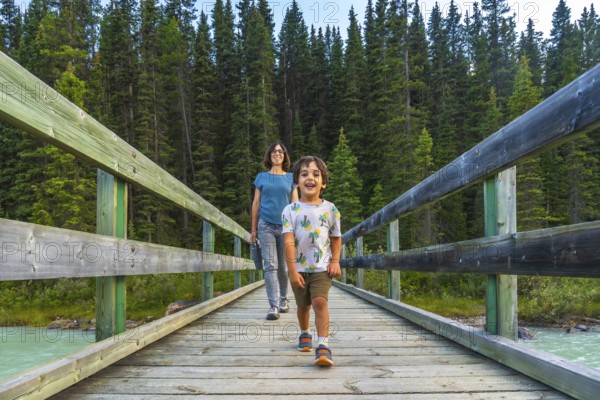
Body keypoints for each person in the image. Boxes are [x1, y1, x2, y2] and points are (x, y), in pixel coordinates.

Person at [282, 156, 341, 367]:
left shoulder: (330, 209)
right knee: (303, 305)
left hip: (322, 267)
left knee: (319, 302)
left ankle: (323, 344)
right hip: (298, 266)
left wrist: (335, 261)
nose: (310, 178)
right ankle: (305, 332)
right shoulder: (290, 210)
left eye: (316, 174)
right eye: (304, 174)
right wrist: (291, 270)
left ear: (323, 182)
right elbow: (288, 241)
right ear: (297, 181)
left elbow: (336, 237)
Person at [251, 142, 298, 320]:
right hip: (266, 225)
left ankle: (284, 299)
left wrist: (296, 230)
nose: (277, 154)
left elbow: (295, 205)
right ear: (269, 155)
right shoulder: (261, 177)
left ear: (285, 156)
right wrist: (253, 229)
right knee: (270, 265)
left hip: (285, 227)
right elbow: (256, 204)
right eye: (274, 151)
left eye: (280, 151)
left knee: (283, 268)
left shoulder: (291, 178)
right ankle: (274, 305)